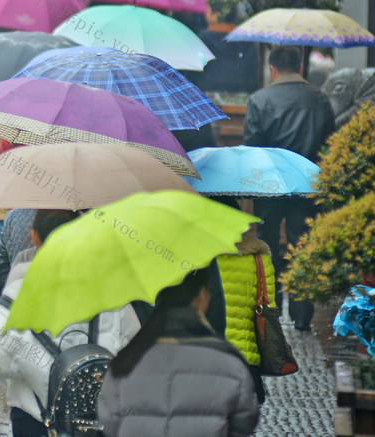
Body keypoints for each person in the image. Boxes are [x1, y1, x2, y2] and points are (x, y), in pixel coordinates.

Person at [0, 209, 139, 437]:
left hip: (34, 421)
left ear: (34, 237)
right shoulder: (113, 295)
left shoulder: (17, 294)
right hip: (96, 421)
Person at [97, 269, 260, 437]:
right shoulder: (229, 363)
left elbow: (109, 420)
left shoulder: (126, 361)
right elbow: (244, 422)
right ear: (202, 296)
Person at [245, 45, 336, 331]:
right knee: (302, 246)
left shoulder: (259, 99)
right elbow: (330, 143)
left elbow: (252, 146)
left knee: (268, 244)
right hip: (308, 183)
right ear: (300, 67)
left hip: (269, 184)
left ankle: (269, 309)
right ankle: (302, 314)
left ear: (273, 69)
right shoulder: (319, 99)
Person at [210, 197, 275, 404]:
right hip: (247, 358)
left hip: (209, 357)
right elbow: (269, 305)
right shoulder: (258, 259)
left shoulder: (201, 258)